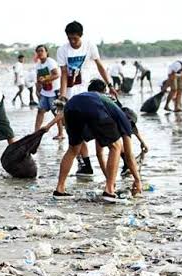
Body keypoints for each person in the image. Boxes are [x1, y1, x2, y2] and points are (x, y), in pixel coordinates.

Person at [53, 79, 141, 202]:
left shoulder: (106, 108)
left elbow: (100, 153)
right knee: (116, 146)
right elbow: (129, 155)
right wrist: (137, 180)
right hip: (91, 108)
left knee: (73, 149)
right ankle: (109, 191)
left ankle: (59, 189)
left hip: (70, 106)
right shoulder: (124, 120)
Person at [56, 20, 117, 178]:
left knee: (100, 128)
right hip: (71, 96)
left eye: (75, 38)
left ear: (80, 36)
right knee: (76, 132)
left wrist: (110, 85)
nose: (72, 41)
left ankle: (117, 160)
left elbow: (100, 66)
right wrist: (62, 97)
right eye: (69, 38)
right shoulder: (62, 50)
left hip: (88, 95)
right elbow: (63, 74)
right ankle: (86, 164)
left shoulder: (90, 46)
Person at [33, 44, 65, 140]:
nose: (40, 53)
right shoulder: (38, 65)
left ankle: (61, 133)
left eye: (42, 51)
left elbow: (57, 74)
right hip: (45, 92)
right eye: (38, 51)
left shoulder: (50, 62)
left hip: (54, 91)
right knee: (40, 111)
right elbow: (38, 78)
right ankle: (36, 132)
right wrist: (37, 90)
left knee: (56, 113)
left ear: (46, 52)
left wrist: (45, 79)